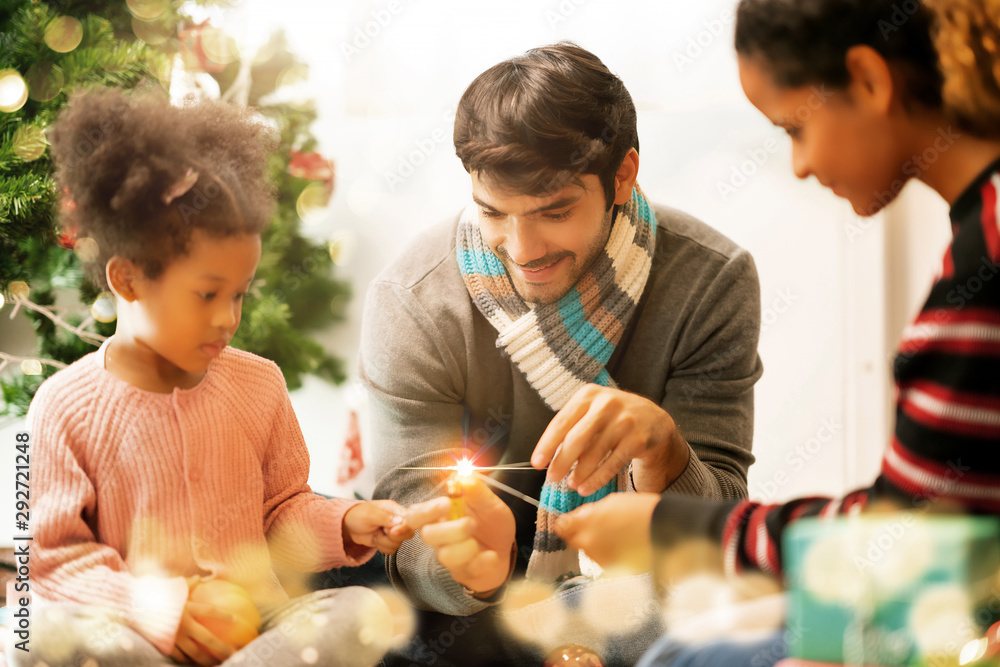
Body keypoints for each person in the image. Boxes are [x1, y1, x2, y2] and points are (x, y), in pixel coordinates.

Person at [549, 1, 1000, 665]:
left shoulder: (982, 269)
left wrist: (671, 530)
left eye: (795, 128)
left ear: (869, 80)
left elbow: (901, 542)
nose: (799, 166)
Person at [361, 42, 764, 666]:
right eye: (494, 213)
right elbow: (406, 545)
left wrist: (667, 454)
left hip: (639, 588)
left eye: (555, 211)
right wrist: (471, 567)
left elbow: (714, 541)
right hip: (472, 618)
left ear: (623, 174)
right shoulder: (413, 300)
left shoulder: (711, 280)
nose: (522, 248)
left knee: (737, 618)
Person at [12, 89, 413, 667]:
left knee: (365, 613)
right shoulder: (63, 406)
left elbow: (282, 513)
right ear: (126, 280)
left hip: (263, 633)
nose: (228, 317)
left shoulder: (259, 385)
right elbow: (48, 562)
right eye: (206, 295)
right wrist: (163, 613)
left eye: (239, 295)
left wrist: (344, 520)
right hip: (139, 638)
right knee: (37, 633)